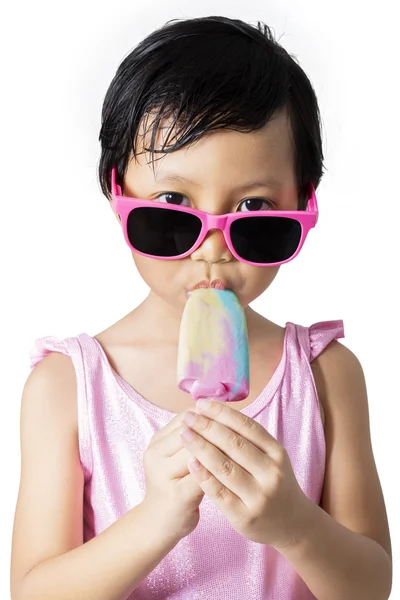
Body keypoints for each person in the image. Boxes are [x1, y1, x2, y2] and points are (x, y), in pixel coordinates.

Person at [10, 15, 392, 600]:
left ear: (303, 201)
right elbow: (33, 590)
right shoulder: (67, 387)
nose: (211, 250)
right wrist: (153, 522)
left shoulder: (326, 375)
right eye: (171, 205)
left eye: (255, 208)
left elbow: (371, 584)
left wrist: (295, 526)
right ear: (119, 194)